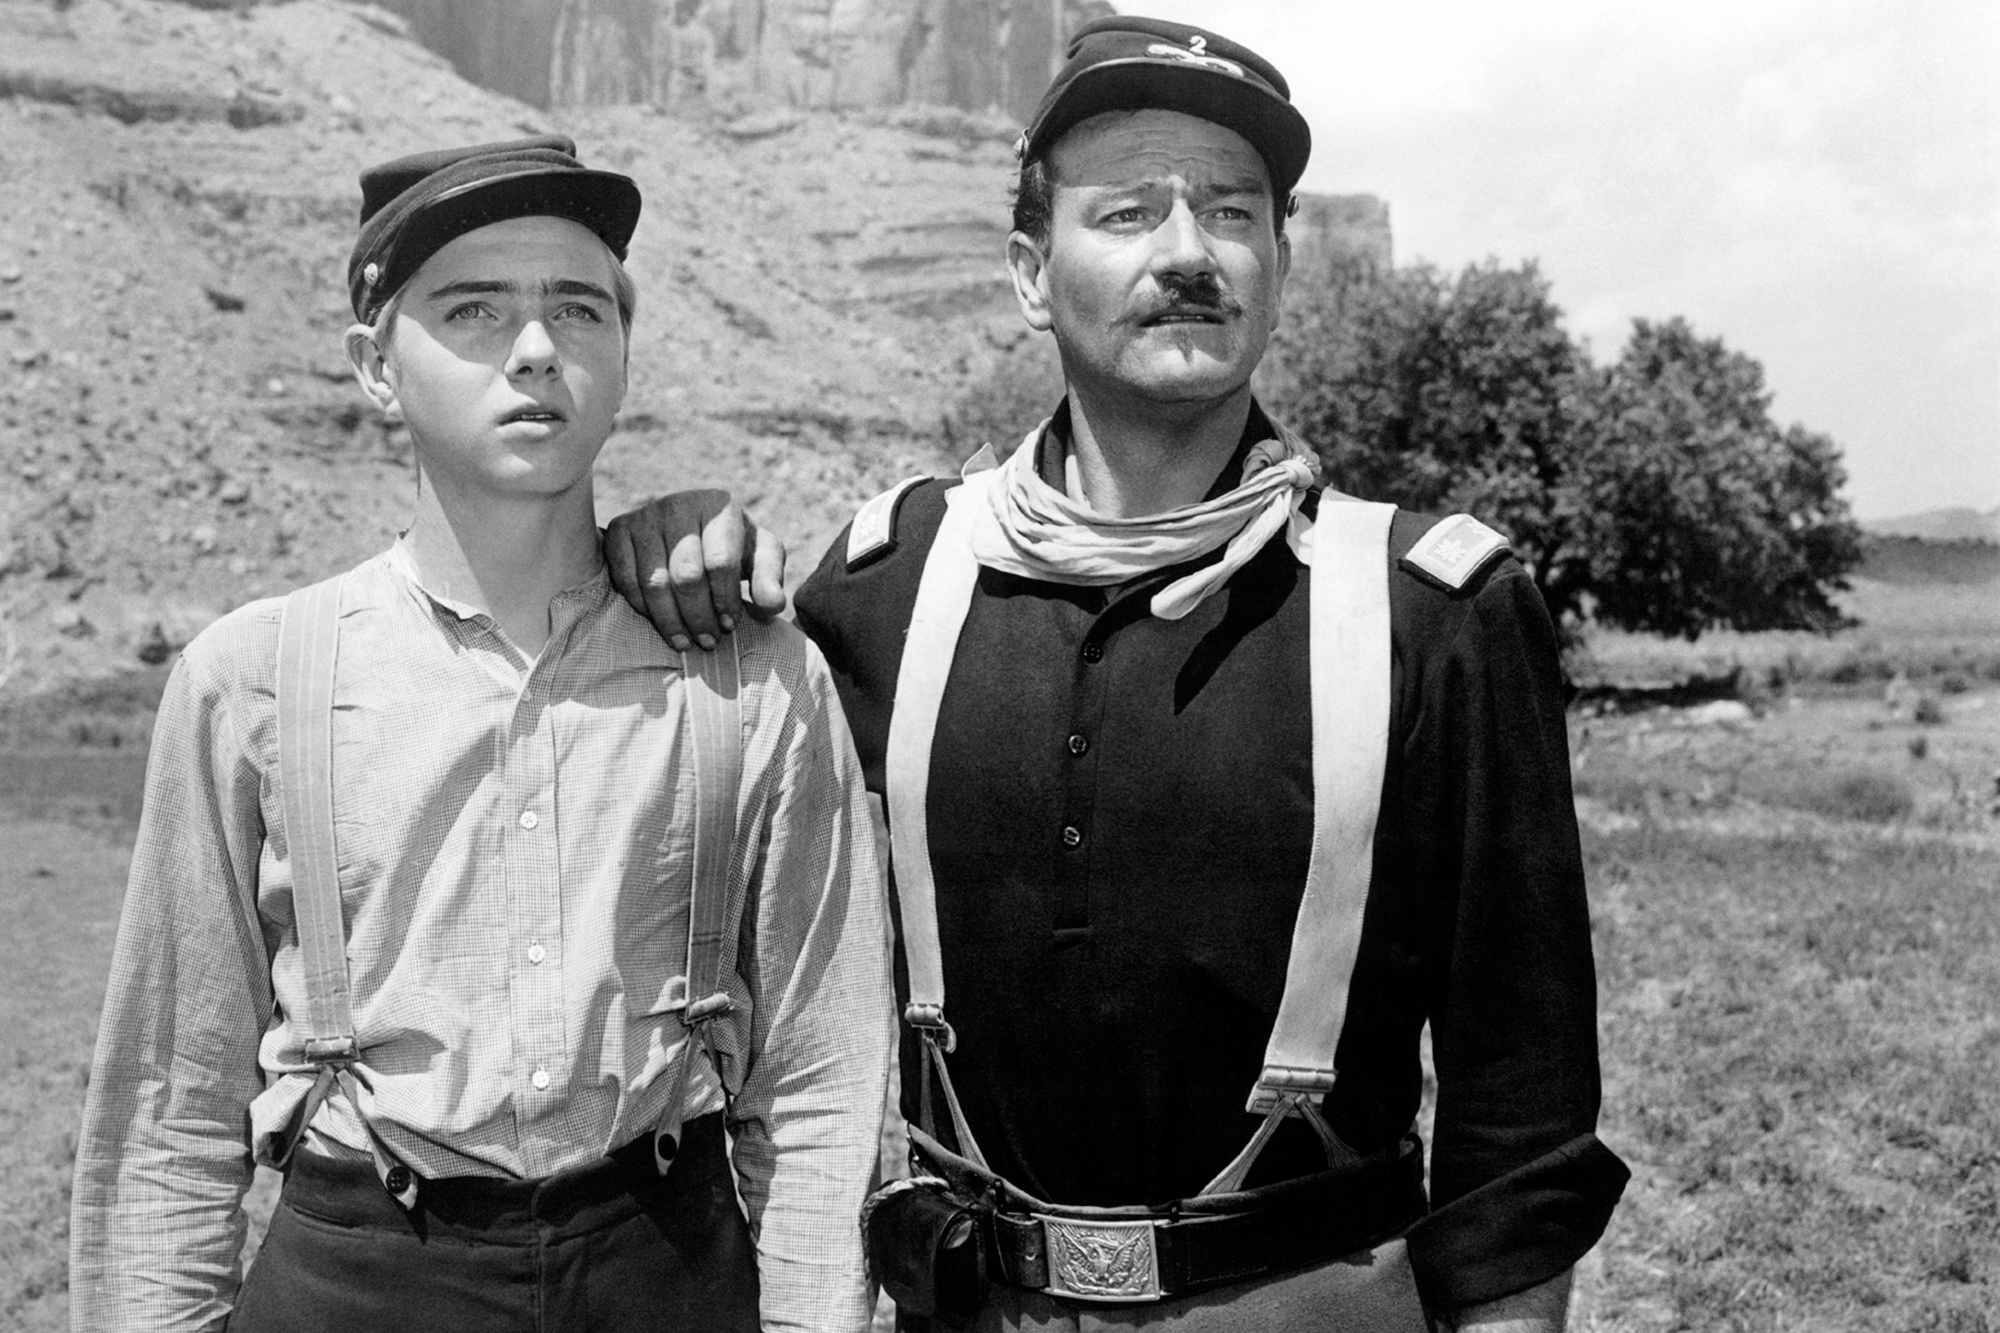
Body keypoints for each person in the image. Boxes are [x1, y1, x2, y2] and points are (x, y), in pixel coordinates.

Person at [608, 17, 1628, 1329]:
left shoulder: (1432, 610)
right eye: (1131, 211)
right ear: (1033, 271)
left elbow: (1520, 1100)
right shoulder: (890, 584)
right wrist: (665, 544)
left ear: (1280, 259)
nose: (1189, 254)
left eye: (1232, 212)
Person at [70, 136, 893, 1333]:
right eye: (472, 310)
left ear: (619, 348)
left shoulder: (754, 677)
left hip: (666, 1266)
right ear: (375, 366)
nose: (536, 350)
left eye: (576, 307)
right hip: (360, 1273)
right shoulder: (251, 680)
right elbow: (170, 1108)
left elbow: (818, 1082)